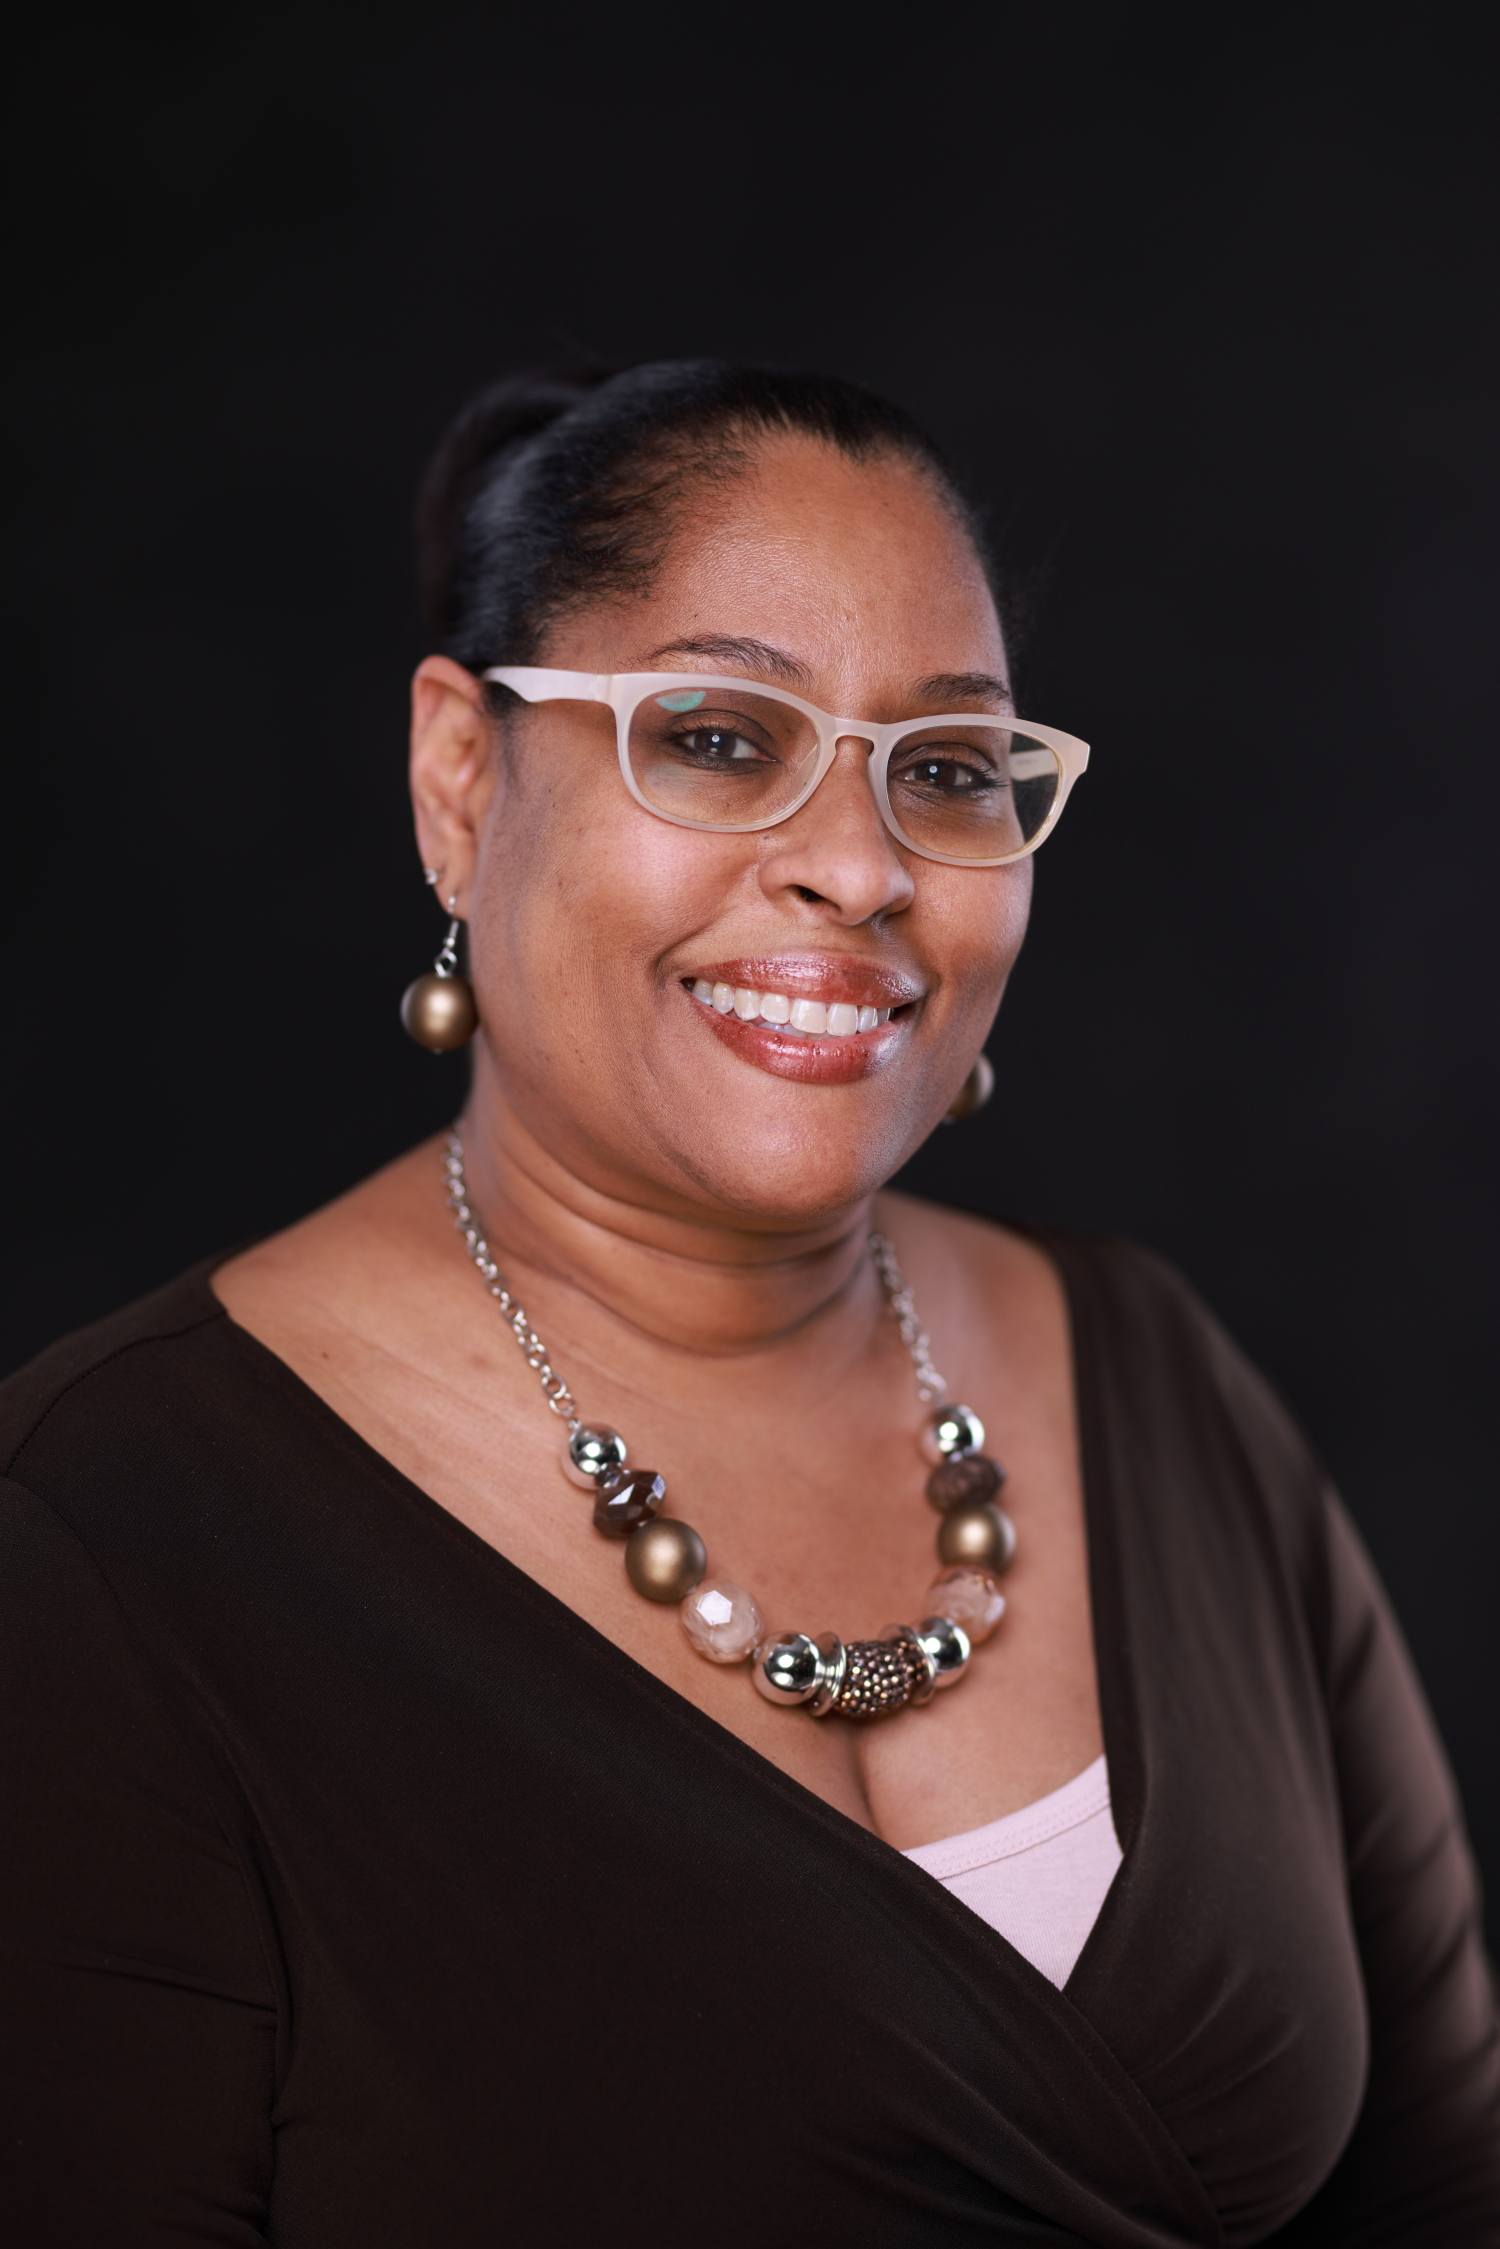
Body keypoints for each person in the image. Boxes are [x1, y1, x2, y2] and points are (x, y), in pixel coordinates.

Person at [1, 360, 1495, 2246]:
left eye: (946, 771)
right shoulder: (98, 1544)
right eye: (716, 735)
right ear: (461, 779)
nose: (861, 867)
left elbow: (1444, 2186)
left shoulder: (1155, 1375)